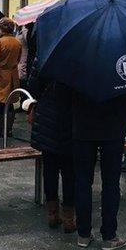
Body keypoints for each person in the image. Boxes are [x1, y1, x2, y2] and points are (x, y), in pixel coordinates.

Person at [71, 88, 126, 250]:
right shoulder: (118, 63)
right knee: (111, 182)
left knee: (82, 182)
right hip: (113, 126)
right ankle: (109, 235)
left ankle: (83, 233)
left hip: (83, 125)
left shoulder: (77, 63)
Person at [27, 79, 75, 232]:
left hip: (47, 118)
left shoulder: (45, 56)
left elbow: (33, 85)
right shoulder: (79, 58)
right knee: (69, 173)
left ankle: (52, 213)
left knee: (50, 169)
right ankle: (68, 218)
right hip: (71, 119)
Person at [0, 17, 22, 138]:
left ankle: (2, 130)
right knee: (10, 102)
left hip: (1, 75)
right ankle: (10, 129)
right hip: (13, 75)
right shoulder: (17, 42)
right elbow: (18, 59)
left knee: (0, 103)